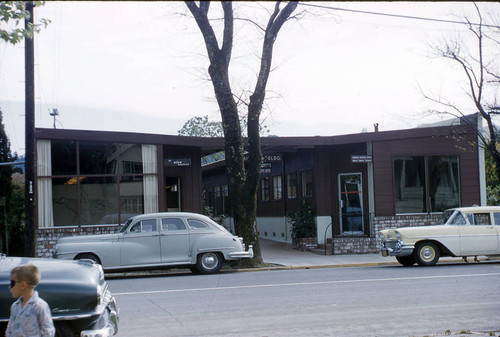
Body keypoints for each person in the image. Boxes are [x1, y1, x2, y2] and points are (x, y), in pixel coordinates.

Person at [6, 263, 55, 337]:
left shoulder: (40, 306)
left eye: (12, 283)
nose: (10, 287)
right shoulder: (15, 306)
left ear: (23, 285)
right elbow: (9, 329)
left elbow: (48, 331)